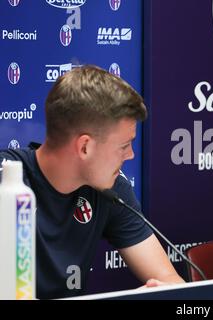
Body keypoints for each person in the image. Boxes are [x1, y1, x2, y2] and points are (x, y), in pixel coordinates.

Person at [0, 65, 184, 299]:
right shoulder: (7, 182)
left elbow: (170, 280)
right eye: (124, 146)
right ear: (85, 147)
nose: (131, 156)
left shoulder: (110, 187)